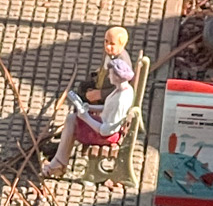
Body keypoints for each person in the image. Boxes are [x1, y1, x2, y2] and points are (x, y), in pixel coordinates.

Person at [40, 28, 140, 179]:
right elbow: (108, 106)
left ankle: (59, 161)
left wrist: (86, 116)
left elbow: (106, 129)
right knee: (79, 100)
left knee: (73, 119)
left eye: (112, 43)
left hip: (106, 133)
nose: (107, 46)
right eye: (106, 42)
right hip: (104, 113)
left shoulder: (119, 95)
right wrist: (89, 108)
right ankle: (61, 153)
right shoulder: (120, 88)